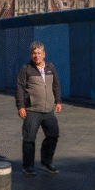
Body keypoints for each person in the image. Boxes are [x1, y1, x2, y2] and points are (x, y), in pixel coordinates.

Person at [16, 42, 63, 176]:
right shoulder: (26, 69)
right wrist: (21, 107)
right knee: (29, 138)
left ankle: (47, 161)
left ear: (43, 54)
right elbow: (19, 88)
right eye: (33, 53)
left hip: (48, 110)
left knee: (53, 135)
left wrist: (58, 101)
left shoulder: (50, 67)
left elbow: (56, 85)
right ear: (31, 55)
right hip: (32, 110)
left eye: (38, 53)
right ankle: (28, 166)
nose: (36, 56)